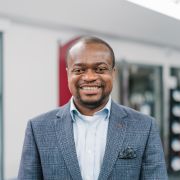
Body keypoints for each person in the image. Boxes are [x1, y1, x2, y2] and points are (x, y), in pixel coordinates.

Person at [18, 36, 168, 180]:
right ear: (68, 73)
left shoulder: (144, 126)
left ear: (113, 73)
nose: (89, 77)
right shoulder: (38, 128)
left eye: (100, 69)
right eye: (79, 70)